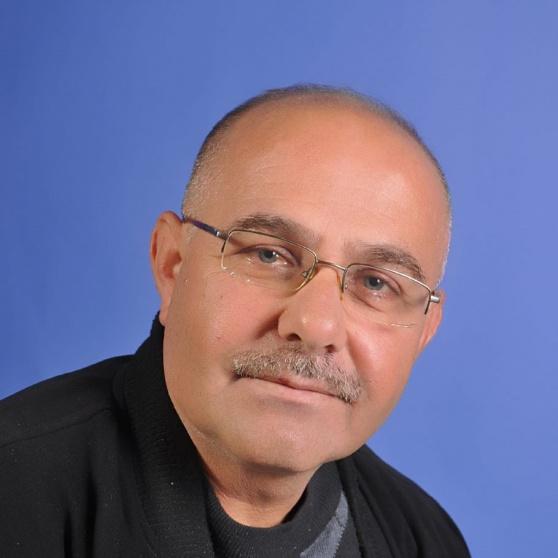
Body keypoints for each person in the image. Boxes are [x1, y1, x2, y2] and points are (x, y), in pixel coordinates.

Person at [0, 85, 470, 557]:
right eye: (269, 254)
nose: (316, 325)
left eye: (376, 283)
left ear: (425, 331)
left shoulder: (425, 541)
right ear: (172, 265)